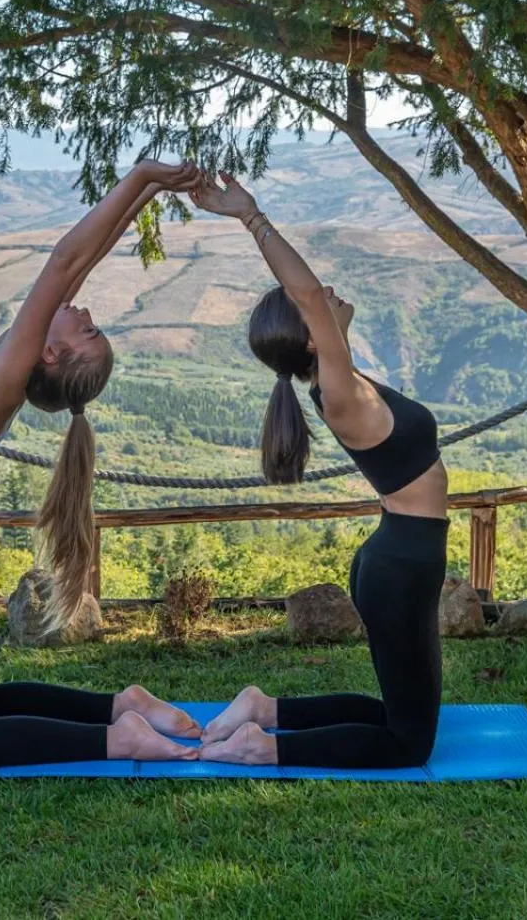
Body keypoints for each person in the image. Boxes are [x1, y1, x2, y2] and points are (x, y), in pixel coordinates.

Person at [0, 159, 204, 768]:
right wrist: (147, 191)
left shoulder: (7, 372)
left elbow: (61, 261)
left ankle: (119, 741)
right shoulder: (11, 360)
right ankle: (123, 708)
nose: (86, 315)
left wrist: (142, 176)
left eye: (88, 332)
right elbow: (80, 264)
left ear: (53, 355)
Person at [188, 172, 450, 768]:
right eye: (319, 307)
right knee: (407, 745)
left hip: (403, 558)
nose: (328, 291)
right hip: (402, 566)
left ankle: (263, 712)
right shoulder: (339, 395)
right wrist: (251, 217)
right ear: (314, 343)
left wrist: (333, 330)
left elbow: (316, 308)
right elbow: (305, 291)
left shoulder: (348, 384)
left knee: (400, 717)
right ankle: (261, 748)